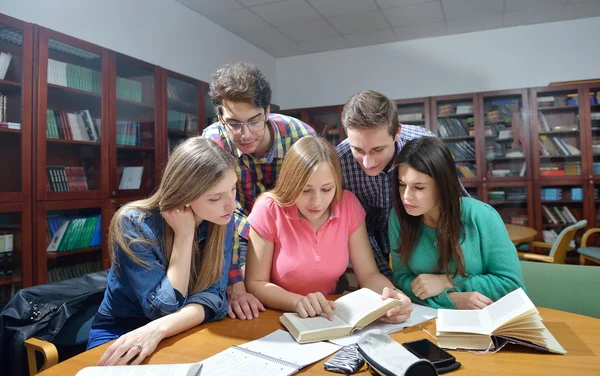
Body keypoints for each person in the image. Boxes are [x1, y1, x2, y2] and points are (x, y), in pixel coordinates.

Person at [87, 137, 238, 366]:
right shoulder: (134, 224)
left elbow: (214, 297)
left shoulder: (222, 220)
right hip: (123, 332)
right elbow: (162, 308)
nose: (231, 205)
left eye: (233, 189)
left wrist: (158, 330)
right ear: (184, 195)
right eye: (216, 198)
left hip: (177, 330)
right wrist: (184, 236)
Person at [245, 136, 412, 322]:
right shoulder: (268, 208)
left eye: (326, 189)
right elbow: (255, 283)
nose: (317, 202)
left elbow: (369, 275)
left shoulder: (348, 204)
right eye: (306, 190)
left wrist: (392, 297)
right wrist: (297, 302)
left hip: (328, 316)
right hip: (274, 316)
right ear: (290, 183)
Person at [202, 62, 315, 320]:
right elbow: (219, 217)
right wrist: (235, 284)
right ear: (220, 117)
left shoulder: (300, 136)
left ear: (266, 112)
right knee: (243, 310)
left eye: (253, 121)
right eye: (233, 123)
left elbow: (313, 197)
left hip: (291, 230)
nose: (245, 134)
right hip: (235, 230)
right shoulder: (214, 143)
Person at [389, 137, 525, 310]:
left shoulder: (481, 216)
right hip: (432, 318)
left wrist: (447, 282)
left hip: (493, 318)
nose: (406, 196)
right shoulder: (399, 217)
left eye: (419, 187)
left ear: (442, 185)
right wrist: (451, 299)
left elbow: (510, 284)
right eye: (402, 185)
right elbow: (403, 279)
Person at [336, 90, 440, 279]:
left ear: (397, 132)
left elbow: (451, 202)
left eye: (378, 149)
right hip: (368, 243)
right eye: (358, 150)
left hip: (421, 237)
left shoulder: (424, 145)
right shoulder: (340, 161)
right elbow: (358, 230)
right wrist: (386, 282)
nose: (368, 163)